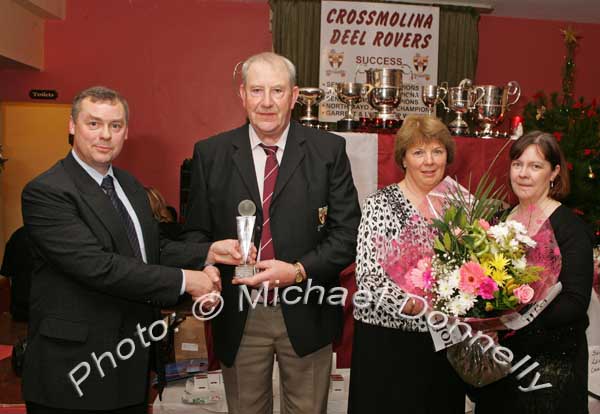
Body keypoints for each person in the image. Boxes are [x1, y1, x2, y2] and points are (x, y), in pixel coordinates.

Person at [20, 86, 242, 413]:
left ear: (126, 131)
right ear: (72, 126)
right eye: (93, 124)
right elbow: (99, 267)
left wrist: (209, 253)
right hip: (73, 370)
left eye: (115, 125)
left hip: (130, 363)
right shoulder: (47, 192)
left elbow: (148, 250)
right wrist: (187, 280)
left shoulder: (129, 185)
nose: (105, 135)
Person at [162, 52, 361, 414]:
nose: (266, 102)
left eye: (277, 90)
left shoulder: (328, 151)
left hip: (308, 308)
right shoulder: (212, 153)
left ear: (295, 95)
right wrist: (208, 259)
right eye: (257, 90)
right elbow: (194, 234)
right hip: (239, 314)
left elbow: (347, 235)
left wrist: (298, 271)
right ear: (242, 95)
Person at [348, 115, 466, 413]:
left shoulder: (461, 204)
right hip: (388, 344)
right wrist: (416, 304)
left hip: (443, 343)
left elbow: (474, 271)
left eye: (437, 151)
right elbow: (369, 278)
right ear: (403, 158)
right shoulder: (381, 204)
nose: (429, 161)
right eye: (418, 152)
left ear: (447, 156)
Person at [474, 130, 593, 413]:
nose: (523, 174)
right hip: (500, 362)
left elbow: (575, 303)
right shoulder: (498, 221)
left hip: (551, 366)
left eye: (535, 166)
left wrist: (512, 319)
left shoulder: (570, 227)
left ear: (554, 173)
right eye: (518, 164)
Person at [0, 226, 32, 321]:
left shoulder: (16, 235)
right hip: (45, 311)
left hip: (19, 309)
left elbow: (6, 271)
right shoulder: (51, 235)